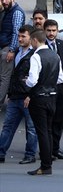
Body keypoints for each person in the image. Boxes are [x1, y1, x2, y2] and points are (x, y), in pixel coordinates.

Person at [25, 29, 63, 176]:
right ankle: (47, 163)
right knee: (47, 131)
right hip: (52, 97)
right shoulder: (55, 55)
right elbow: (61, 78)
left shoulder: (36, 57)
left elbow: (32, 80)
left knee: (41, 132)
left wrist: (26, 82)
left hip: (39, 97)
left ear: (35, 40)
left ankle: (45, 165)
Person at [0, 25, 37, 165]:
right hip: (15, 97)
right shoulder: (16, 52)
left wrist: (31, 95)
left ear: (31, 38)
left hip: (28, 97)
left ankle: (30, 154)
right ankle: (1, 152)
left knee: (31, 128)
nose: (20, 39)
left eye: (23, 37)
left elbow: (37, 79)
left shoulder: (35, 55)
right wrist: (10, 93)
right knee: (8, 127)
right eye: (19, 36)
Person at [44, 19, 63, 161]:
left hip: (60, 87)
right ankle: (46, 150)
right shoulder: (41, 46)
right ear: (44, 31)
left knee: (59, 119)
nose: (51, 33)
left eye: (54, 30)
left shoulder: (60, 44)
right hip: (47, 87)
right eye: (49, 30)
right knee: (49, 119)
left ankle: (56, 148)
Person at [0, 0, 26, 104]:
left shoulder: (16, 12)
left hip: (8, 49)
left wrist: (11, 50)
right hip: (3, 47)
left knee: (4, 78)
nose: (4, 1)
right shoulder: (7, 10)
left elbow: (17, 32)